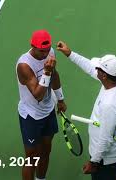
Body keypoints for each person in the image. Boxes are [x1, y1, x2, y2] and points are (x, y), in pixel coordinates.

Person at [56, 41, 116, 180]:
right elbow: (90, 67)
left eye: (99, 69)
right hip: (115, 152)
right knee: (114, 176)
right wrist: (70, 54)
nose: (96, 70)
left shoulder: (110, 105)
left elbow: (105, 139)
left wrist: (93, 162)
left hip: (105, 159)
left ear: (104, 76)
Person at [16, 30, 67, 180]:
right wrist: (46, 72)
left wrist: (60, 99)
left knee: (45, 150)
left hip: (48, 110)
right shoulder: (24, 65)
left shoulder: (49, 52)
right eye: (41, 51)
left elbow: (55, 75)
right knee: (32, 157)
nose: (45, 54)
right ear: (33, 46)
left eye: (47, 49)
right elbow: (38, 95)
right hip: (31, 116)